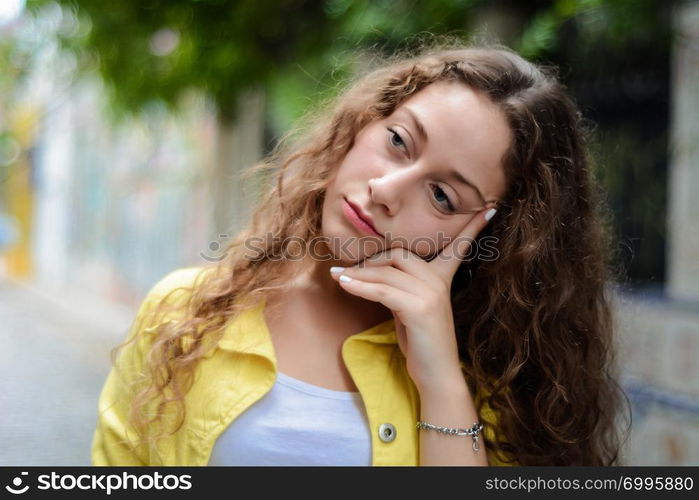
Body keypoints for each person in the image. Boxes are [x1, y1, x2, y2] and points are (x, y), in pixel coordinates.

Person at [91, 42, 630, 466]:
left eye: (443, 195)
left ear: (498, 236)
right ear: (365, 121)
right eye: (398, 141)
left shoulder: (495, 378)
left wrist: (439, 377)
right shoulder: (185, 311)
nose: (387, 190)